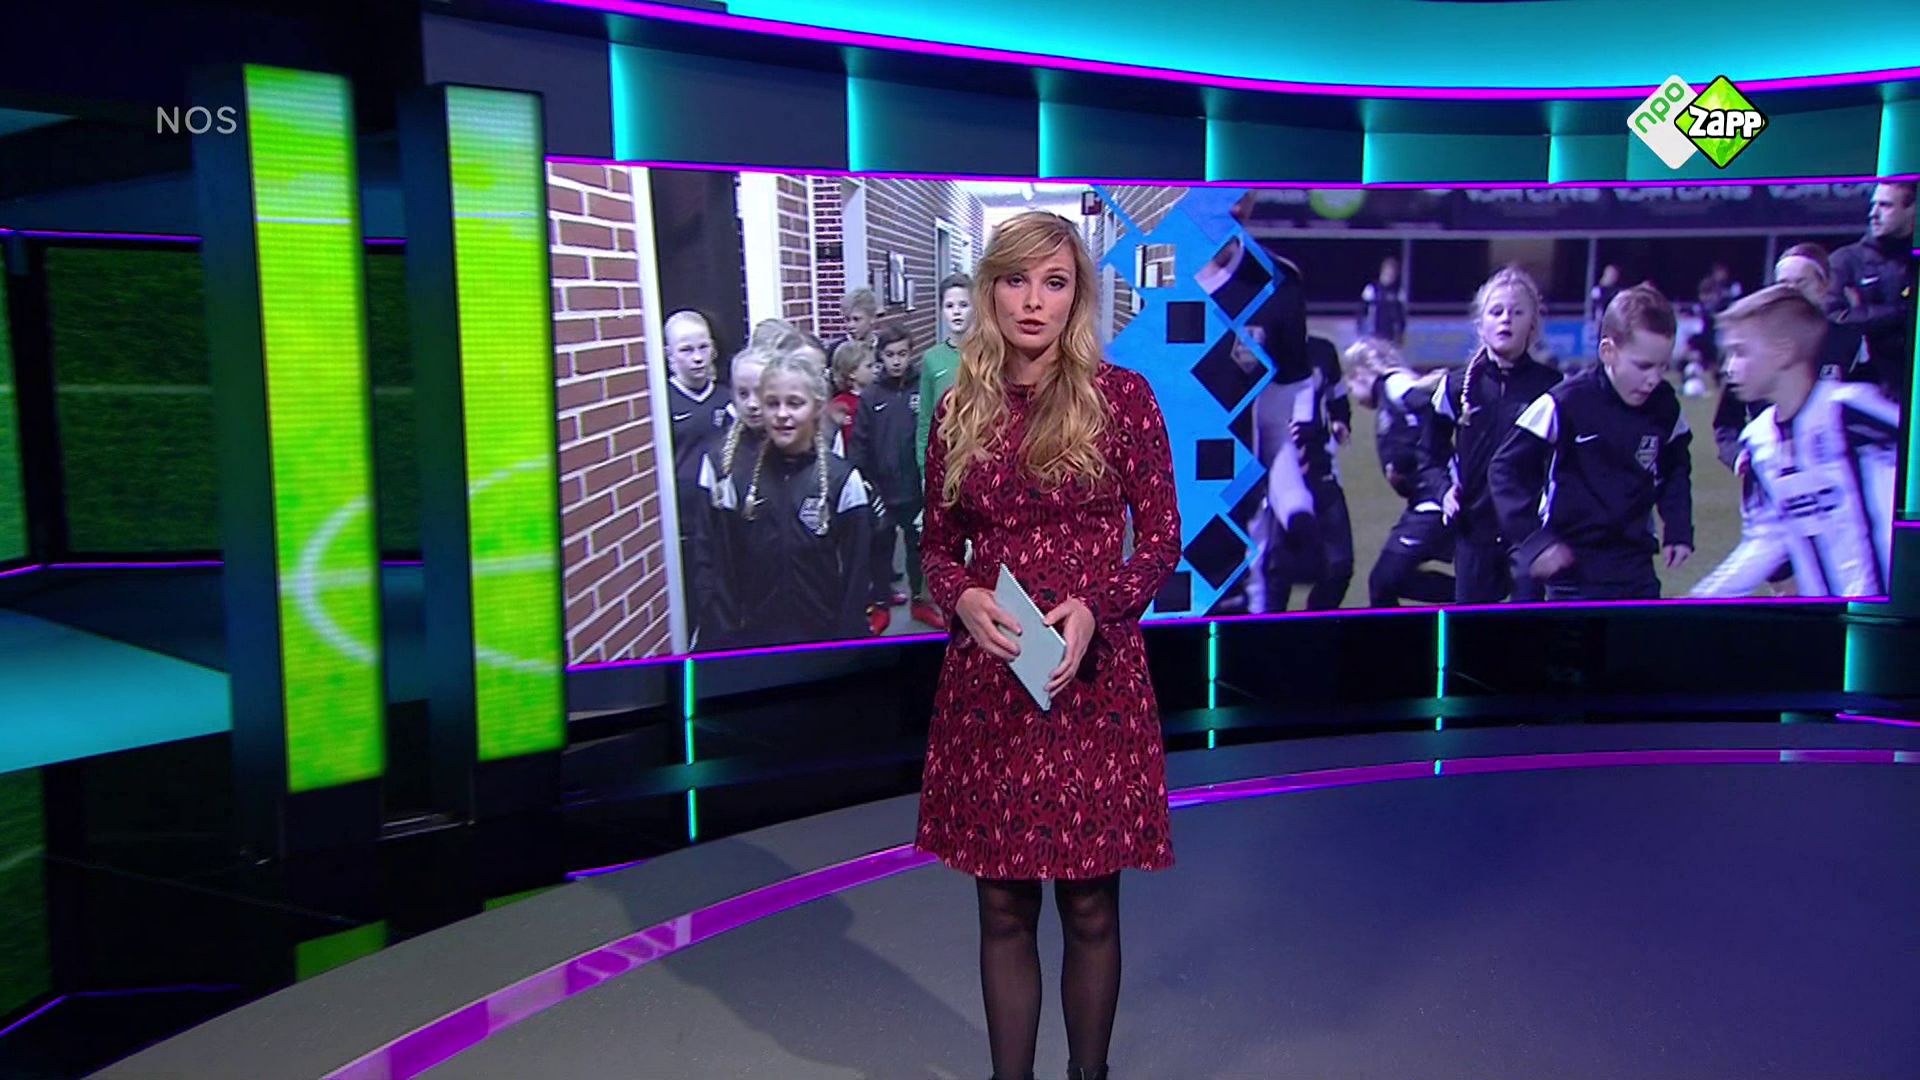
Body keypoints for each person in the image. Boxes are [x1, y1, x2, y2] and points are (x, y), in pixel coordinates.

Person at [915, 210, 1179, 1080]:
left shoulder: (1123, 400)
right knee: (1002, 907)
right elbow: (936, 547)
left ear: (1077, 298)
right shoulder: (958, 408)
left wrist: (1099, 607)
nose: (1034, 301)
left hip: (1089, 677)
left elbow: (1161, 542)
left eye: (1055, 282)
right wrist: (962, 596)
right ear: (990, 291)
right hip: (991, 683)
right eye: (1017, 280)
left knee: (1091, 905)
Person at [1692, 285, 1900, 599]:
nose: (1728, 367)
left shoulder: (1849, 410)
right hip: (1828, 616)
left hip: (1887, 613)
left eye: (1741, 352)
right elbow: (1763, 541)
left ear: (1783, 352)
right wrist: (1695, 602)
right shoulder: (1759, 440)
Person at [1490, 285, 1694, 602]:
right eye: (1643, 366)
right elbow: (1504, 469)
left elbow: (1675, 466)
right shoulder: (1566, 401)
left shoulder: (1664, 405)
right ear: (1608, 352)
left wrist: (1679, 528)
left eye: (1662, 366)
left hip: (1635, 565)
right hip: (1572, 570)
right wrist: (1534, 541)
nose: (1654, 379)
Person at [701, 347, 876, 647]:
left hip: (822, 639)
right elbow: (723, 573)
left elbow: (856, 576)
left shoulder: (842, 481)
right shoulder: (738, 480)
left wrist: (848, 648)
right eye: (772, 403)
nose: (782, 414)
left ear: (817, 407)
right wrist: (726, 641)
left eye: (794, 403)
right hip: (754, 640)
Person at [1423, 265, 1563, 603]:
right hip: (1474, 530)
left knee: (1526, 625)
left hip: (1529, 532)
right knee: (1470, 627)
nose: (1506, 320)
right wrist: (1443, 490)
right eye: (1496, 311)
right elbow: (1428, 451)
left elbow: (1568, 459)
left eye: (1517, 312)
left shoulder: (1552, 389)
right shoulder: (1457, 386)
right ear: (1480, 324)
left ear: (1533, 325)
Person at [1712, 243, 1864, 471]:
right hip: (1773, 470)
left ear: (1824, 286)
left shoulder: (1849, 340)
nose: (1791, 292)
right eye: (1783, 284)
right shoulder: (1753, 344)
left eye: (1801, 282)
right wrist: (1738, 456)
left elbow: (1865, 405)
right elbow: (1726, 421)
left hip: (1833, 468)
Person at [1343, 338, 1454, 607]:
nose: (1351, 393)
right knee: (1389, 580)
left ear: (1360, 373)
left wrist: (1432, 384)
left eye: (1350, 384)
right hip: (1424, 502)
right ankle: (1477, 594)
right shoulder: (1388, 396)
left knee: (1383, 582)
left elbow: (1422, 399)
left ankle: (1478, 595)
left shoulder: (1393, 383)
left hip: (1435, 502)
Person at [853, 320, 942, 629]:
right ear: (880, 356)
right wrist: (868, 487)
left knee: (919, 549)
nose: (896, 361)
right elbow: (859, 446)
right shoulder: (871, 395)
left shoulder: (921, 387)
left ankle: (920, 601)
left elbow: (934, 432)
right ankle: (881, 604)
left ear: (910, 353)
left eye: (902, 354)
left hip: (915, 488)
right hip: (882, 491)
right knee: (881, 550)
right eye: (890, 355)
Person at [686, 346, 772, 649]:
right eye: (742, 394)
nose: (752, 404)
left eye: (760, 392)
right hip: (732, 609)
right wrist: (710, 600)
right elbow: (706, 539)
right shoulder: (717, 459)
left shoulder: (798, 454)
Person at [1827, 181, 1916, 403]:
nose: (1873, 214)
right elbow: (1834, 317)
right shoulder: (1846, 261)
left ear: (1912, 209)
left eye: (1885, 205)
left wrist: (1866, 312)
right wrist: (1903, 313)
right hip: (1867, 392)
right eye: (1873, 204)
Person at [918, 272, 974, 476]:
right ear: (942, 310)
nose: (956, 312)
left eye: (963, 305)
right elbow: (925, 417)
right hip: (944, 454)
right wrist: (923, 465)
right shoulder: (932, 358)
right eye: (949, 306)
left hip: (979, 452)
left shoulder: (989, 354)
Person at [663, 310, 725, 472]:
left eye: (703, 347)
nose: (698, 358)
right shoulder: (663, 403)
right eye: (686, 350)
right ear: (669, 354)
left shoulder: (728, 399)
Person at [829, 340, 877, 445]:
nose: (875, 370)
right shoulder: (840, 404)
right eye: (869, 366)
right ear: (852, 373)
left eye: (875, 365)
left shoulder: (880, 397)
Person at [1358, 255, 1407, 344]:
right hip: (1373, 336)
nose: (1390, 275)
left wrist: (1400, 334)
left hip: (1390, 338)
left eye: (1393, 273)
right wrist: (1362, 332)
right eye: (1388, 271)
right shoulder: (1371, 289)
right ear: (1383, 271)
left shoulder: (1398, 292)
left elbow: (1401, 317)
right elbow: (1362, 312)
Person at [829, 286, 881, 358]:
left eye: (856, 319)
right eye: (847, 319)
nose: (850, 325)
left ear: (872, 318)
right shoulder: (835, 350)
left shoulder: (883, 347)